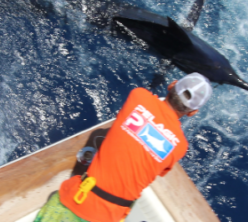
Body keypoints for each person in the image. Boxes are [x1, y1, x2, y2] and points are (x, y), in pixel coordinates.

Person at [34, 72, 212, 222]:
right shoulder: (180, 146)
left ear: (172, 85)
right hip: (110, 216)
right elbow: (156, 166)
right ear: (192, 112)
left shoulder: (139, 97)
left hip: (77, 199)